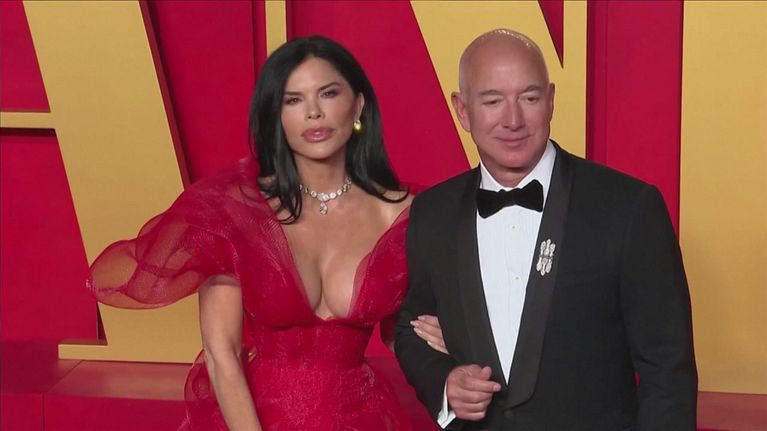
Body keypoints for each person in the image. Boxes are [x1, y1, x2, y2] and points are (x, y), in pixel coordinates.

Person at [88, 35, 443, 431]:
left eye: (328, 93)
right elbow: (221, 353)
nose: (313, 112)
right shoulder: (235, 212)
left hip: (365, 417)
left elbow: (405, 334)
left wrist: (454, 345)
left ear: (358, 105)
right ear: (276, 116)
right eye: (293, 100)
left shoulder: (405, 215)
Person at [395, 29, 697, 430]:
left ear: (551, 100)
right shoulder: (433, 212)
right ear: (462, 110)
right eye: (493, 101)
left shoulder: (628, 208)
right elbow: (410, 327)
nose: (513, 120)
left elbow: (668, 370)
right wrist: (445, 383)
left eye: (530, 98)